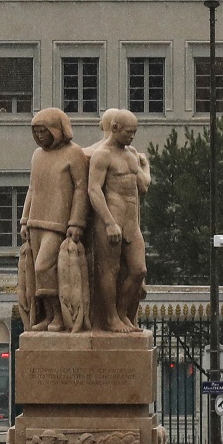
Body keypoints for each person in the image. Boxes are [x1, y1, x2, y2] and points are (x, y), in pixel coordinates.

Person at [18, 108, 91, 333]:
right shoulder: (37, 156)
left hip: (58, 223)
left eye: (43, 131)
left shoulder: (74, 153)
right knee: (37, 273)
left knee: (44, 268)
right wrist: (24, 219)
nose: (39, 136)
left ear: (57, 130)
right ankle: (48, 315)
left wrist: (76, 223)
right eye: (36, 132)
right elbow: (32, 188)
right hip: (36, 222)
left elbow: (81, 189)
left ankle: (60, 315)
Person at [86, 108, 151, 332]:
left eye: (134, 132)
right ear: (115, 129)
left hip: (132, 221)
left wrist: (145, 165)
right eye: (128, 132)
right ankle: (111, 318)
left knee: (138, 270)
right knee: (109, 270)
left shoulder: (131, 153)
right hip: (111, 217)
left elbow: (143, 186)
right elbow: (94, 189)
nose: (132, 136)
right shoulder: (102, 155)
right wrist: (108, 222)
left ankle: (122, 312)